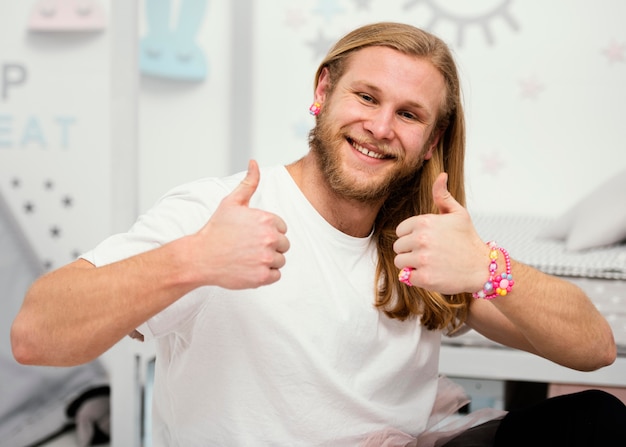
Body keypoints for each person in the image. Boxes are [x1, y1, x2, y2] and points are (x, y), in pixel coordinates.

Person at [11, 22, 626, 446]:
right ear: (323, 92)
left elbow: (594, 349)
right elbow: (34, 334)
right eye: (366, 96)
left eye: (409, 114)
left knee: (595, 419)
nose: (380, 126)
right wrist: (190, 260)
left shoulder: (424, 245)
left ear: (431, 142)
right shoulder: (218, 212)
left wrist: (491, 266)